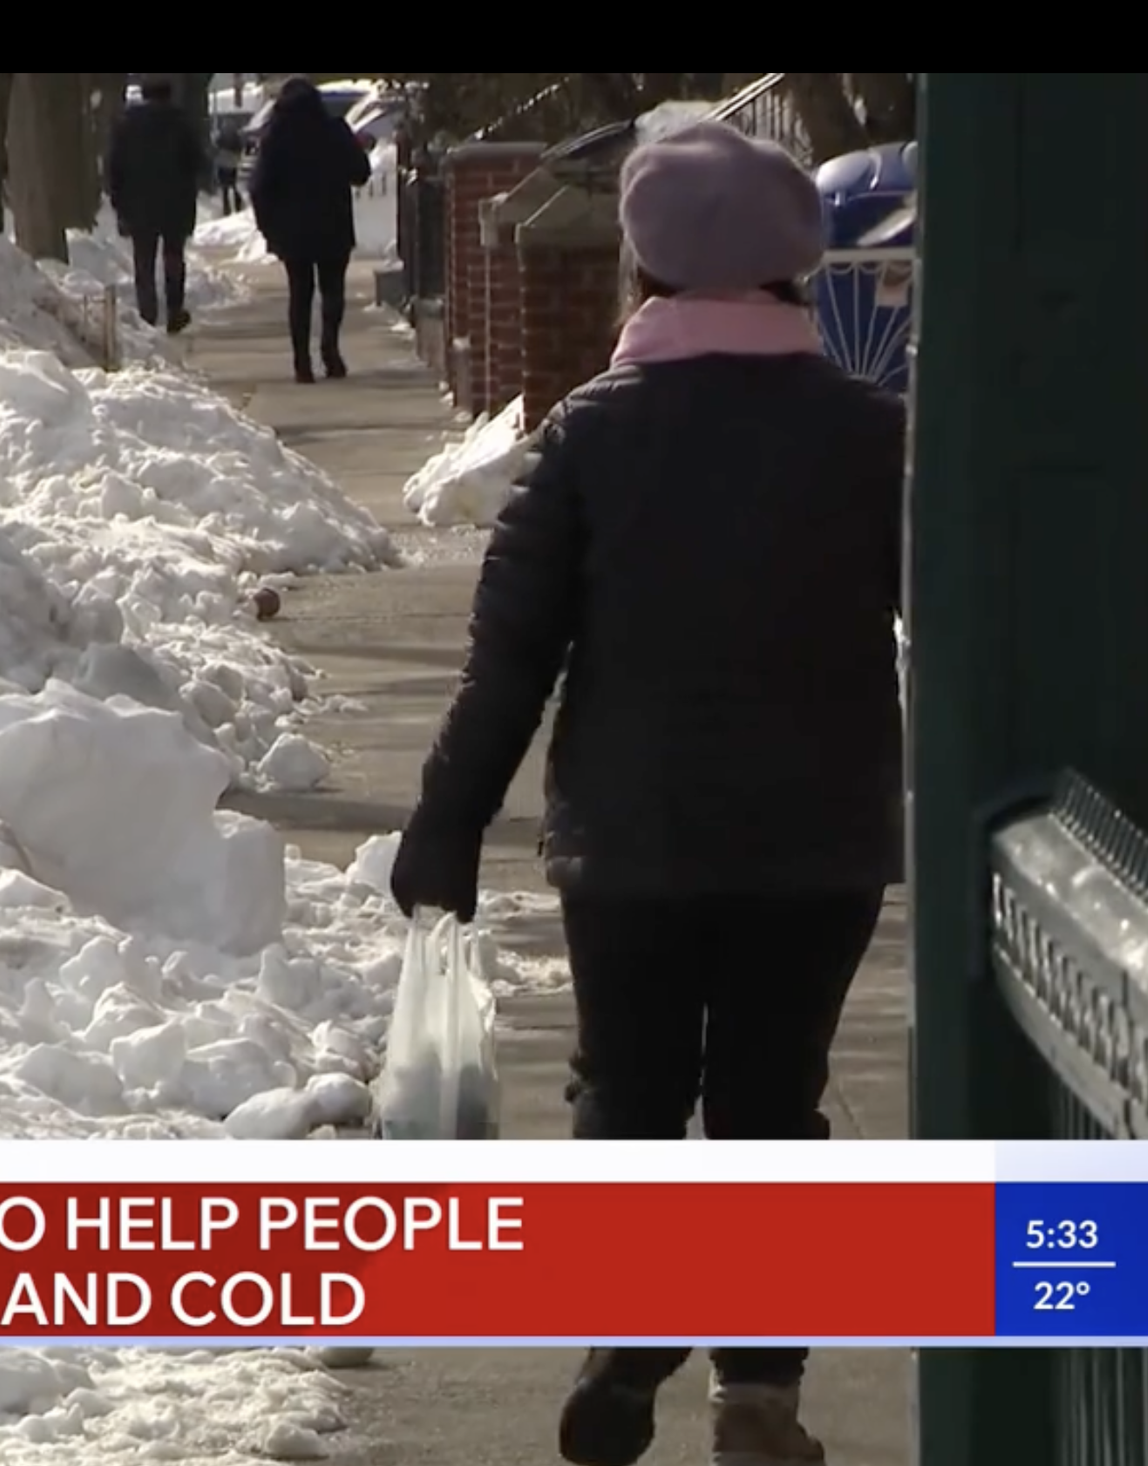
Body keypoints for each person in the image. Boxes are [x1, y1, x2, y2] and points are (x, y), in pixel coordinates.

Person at [386, 120, 906, 1466]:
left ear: (644, 272)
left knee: (627, 1089)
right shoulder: (869, 437)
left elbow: (510, 656)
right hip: (817, 841)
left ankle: (627, 1336)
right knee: (772, 1102)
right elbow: (962, 628)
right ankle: (759, 1393)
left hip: (632, 839)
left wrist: (447, 821)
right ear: (792, 272)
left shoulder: (590, 437)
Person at [249, 77, 372, 382]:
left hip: (292, 230)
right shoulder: (335, 130)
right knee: (333, 290)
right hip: (333, 222)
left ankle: (301, 361)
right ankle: (330, 348)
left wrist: (268, 226)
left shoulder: (275, 136)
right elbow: (360, 173)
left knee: (299, 294)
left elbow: (260, 186)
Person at [105, 78, 210, 334]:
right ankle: (174, 311)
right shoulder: (181, 123)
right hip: (176, 203)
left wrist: (119, 203)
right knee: (173, 257)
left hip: (138, 205)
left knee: (144, 261)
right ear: (169, 95)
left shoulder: (126, 125)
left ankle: (147, 314)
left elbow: (114, 167)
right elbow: (198, 162)